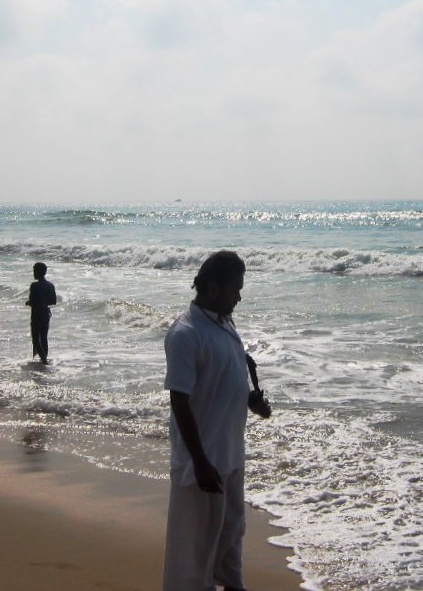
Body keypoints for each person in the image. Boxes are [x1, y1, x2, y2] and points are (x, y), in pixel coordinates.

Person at [163, 250, 252, 591]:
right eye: (235, 290)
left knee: (231, 537)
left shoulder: (224, 323)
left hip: (230, 456)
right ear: (213, 289)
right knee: (194, 554)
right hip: (201, 464)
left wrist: (251, 400)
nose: (239, 297)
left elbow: (223, 380)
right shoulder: (186, 333)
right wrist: (200, 461)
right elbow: (179, 400)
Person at [25, 262, 57, 365]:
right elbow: (53, 301)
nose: (33, 273)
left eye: (34, 271)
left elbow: (32, 301)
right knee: (44, 338)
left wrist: (29, 303)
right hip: (46, 313)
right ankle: (42, 359)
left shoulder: (34, 286)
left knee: (35, 339)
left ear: (38, 272)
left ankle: (44, 361)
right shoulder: (50, 285)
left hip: (36, 314)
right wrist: (43, 302)